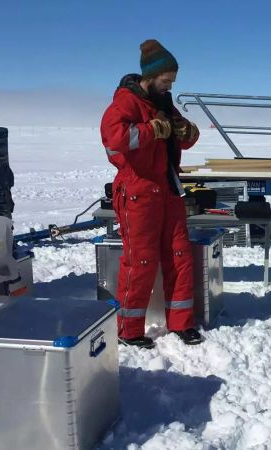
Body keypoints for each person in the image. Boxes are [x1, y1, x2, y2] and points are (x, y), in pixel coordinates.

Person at [100, 39, 203, 348]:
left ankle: (181, 322)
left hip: (167, 188)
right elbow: (114, 139)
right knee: (141, 260)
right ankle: (128, 329)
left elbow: (180, 136)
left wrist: (186, 131)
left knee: (179, 254)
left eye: (173, 80)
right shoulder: (126, 102)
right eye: (166, 79)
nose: (170, 84)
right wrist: (149, 131)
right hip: (138, 190)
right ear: (151, 75)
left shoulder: (163, 101)